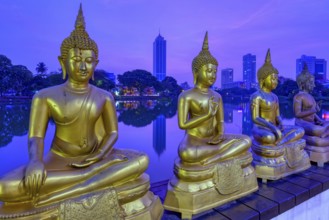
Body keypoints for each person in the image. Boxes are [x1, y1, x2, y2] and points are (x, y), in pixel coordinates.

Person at [0, 5, 148, 207]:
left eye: (88, 61)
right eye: (76, 60)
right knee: (6, 187)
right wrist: (35, 161)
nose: (82, 67)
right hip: (59, 159)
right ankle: (89, 179)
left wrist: (99, 155)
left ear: (95, 64)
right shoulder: (45, 96)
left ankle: (80, 183)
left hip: (97, 158)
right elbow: (36, 136)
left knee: (141, 160)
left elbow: (113, 133)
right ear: (63, 62)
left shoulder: (104, 97)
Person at [177, 32, 251, 166]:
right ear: (196, 72)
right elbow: (182, 125)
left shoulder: (217, 96)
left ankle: (214, 159)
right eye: (209, 71)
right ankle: (223, 155)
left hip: (214, 140)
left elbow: (220, 121)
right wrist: (207, 115)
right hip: (194, 140)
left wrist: (221, 134)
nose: (213, 75)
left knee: (246, 140)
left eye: (215, 72)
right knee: (186, 153)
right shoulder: (186, 95)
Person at [250, 49, 304, 146]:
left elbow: (277, 115)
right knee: (269, 137)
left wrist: (281, 123)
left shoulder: (275, 97)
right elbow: (256, 118)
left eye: (276, 79)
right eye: (273, 79)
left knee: (299, 130)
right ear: (262, 80)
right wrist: (272, 127)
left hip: (275, 126)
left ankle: (280, 143)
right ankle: (280, 141)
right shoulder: (256, 96)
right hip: (261, 128)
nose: (276, 81)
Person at [294, 63, 329, 143]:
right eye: (311, 83)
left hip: (312, 123)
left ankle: (323, 134)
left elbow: (314, 113)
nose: (314, 85)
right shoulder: (299, 96)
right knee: (316, 130)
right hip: (302, 123)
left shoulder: (310, 96)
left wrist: (320, 120)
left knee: (325, 124)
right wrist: (313, 110)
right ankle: (323, 133)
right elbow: (297, 114)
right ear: (303, 83)